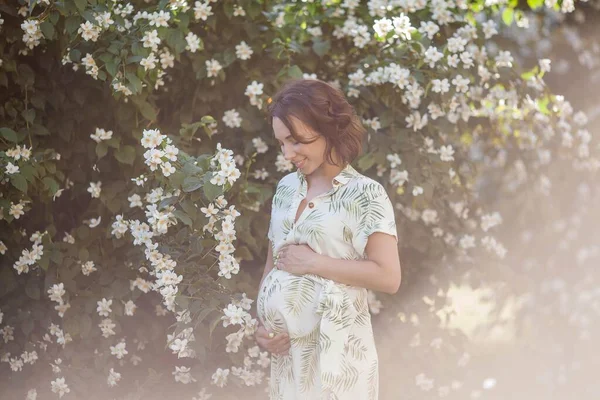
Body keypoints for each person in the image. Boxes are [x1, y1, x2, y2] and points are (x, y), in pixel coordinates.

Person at [254, 79, 401, 400]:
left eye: (295, 141)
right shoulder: (286, 189)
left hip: (338, 366)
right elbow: (273, 265)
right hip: (288, 362)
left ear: (327, 128)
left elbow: (389, 277)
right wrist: (262, 327)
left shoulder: (365, 194)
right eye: (281, 143)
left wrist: (316, 263)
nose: (287, 153)